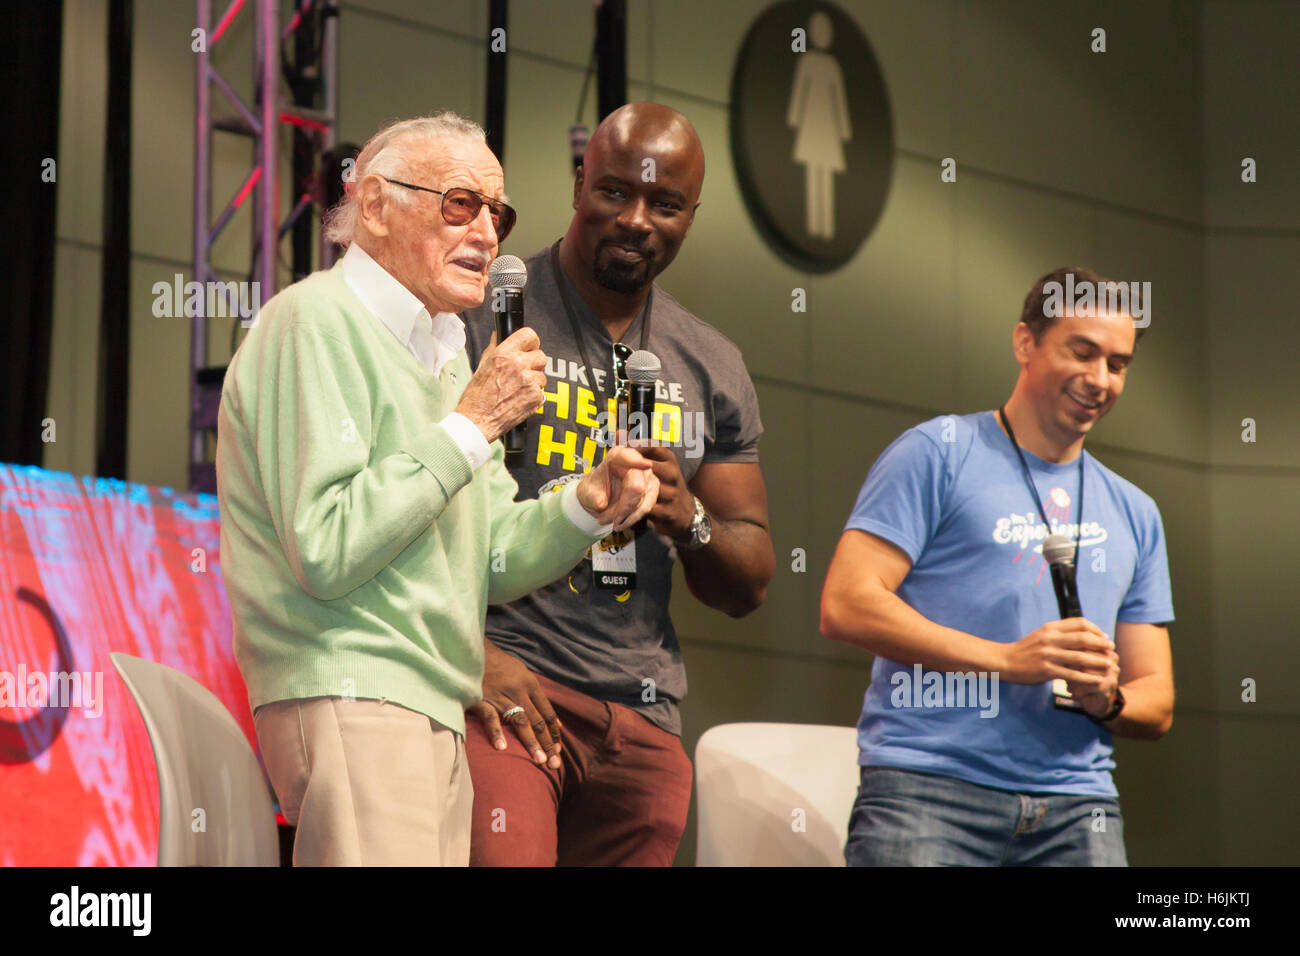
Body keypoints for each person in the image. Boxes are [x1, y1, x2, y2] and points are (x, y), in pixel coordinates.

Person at [216, 113, 660, 867]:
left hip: (434, 705)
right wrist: (472, 423)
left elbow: (489, 556)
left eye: (498, 211)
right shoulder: (314, 321)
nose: (488, 232)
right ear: (379, 206)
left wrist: (586, 506)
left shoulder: (445, 357)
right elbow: (326, 547)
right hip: (355, 689)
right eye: (461, 204)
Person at [460, 102, 775, 866]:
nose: (636, 219)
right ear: (578, 185)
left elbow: (749, 579)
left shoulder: (711, 363)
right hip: (509, 687)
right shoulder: (487, 311)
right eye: (613, 193)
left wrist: (687, 515)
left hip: (640, 720)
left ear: (689, 216)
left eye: (664, 204)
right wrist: (469, 654)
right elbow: (416, 497)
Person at [820, 267, 1175, 866]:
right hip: (928, 789)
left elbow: (1157, 698)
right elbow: (846, 603)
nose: (1099, 379)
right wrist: (1008, 661)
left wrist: (1108, 700)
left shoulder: (1136, 511)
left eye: (1117, 364)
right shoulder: (938, 453)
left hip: (1079, 807)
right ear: (1025, 343)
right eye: (1082, 352)